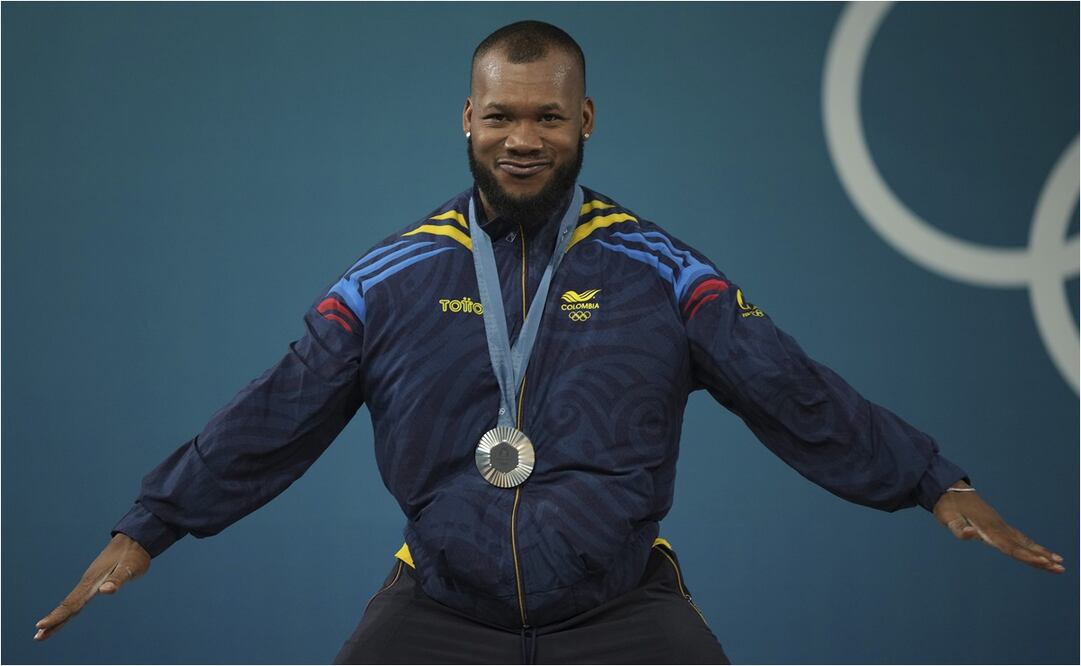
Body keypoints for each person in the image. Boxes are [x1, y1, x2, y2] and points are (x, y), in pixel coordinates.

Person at [34, 20, 1064, 664]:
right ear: (466, 122)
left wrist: (931, 481)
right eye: (500, 117)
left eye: (547, 118)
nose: (522, 138)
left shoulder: (660, 270)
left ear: (585, 121)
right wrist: (150, 526)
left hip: (621, 617)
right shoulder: (391, 277)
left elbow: (789, 388)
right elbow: (276, 412)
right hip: (438, 613)